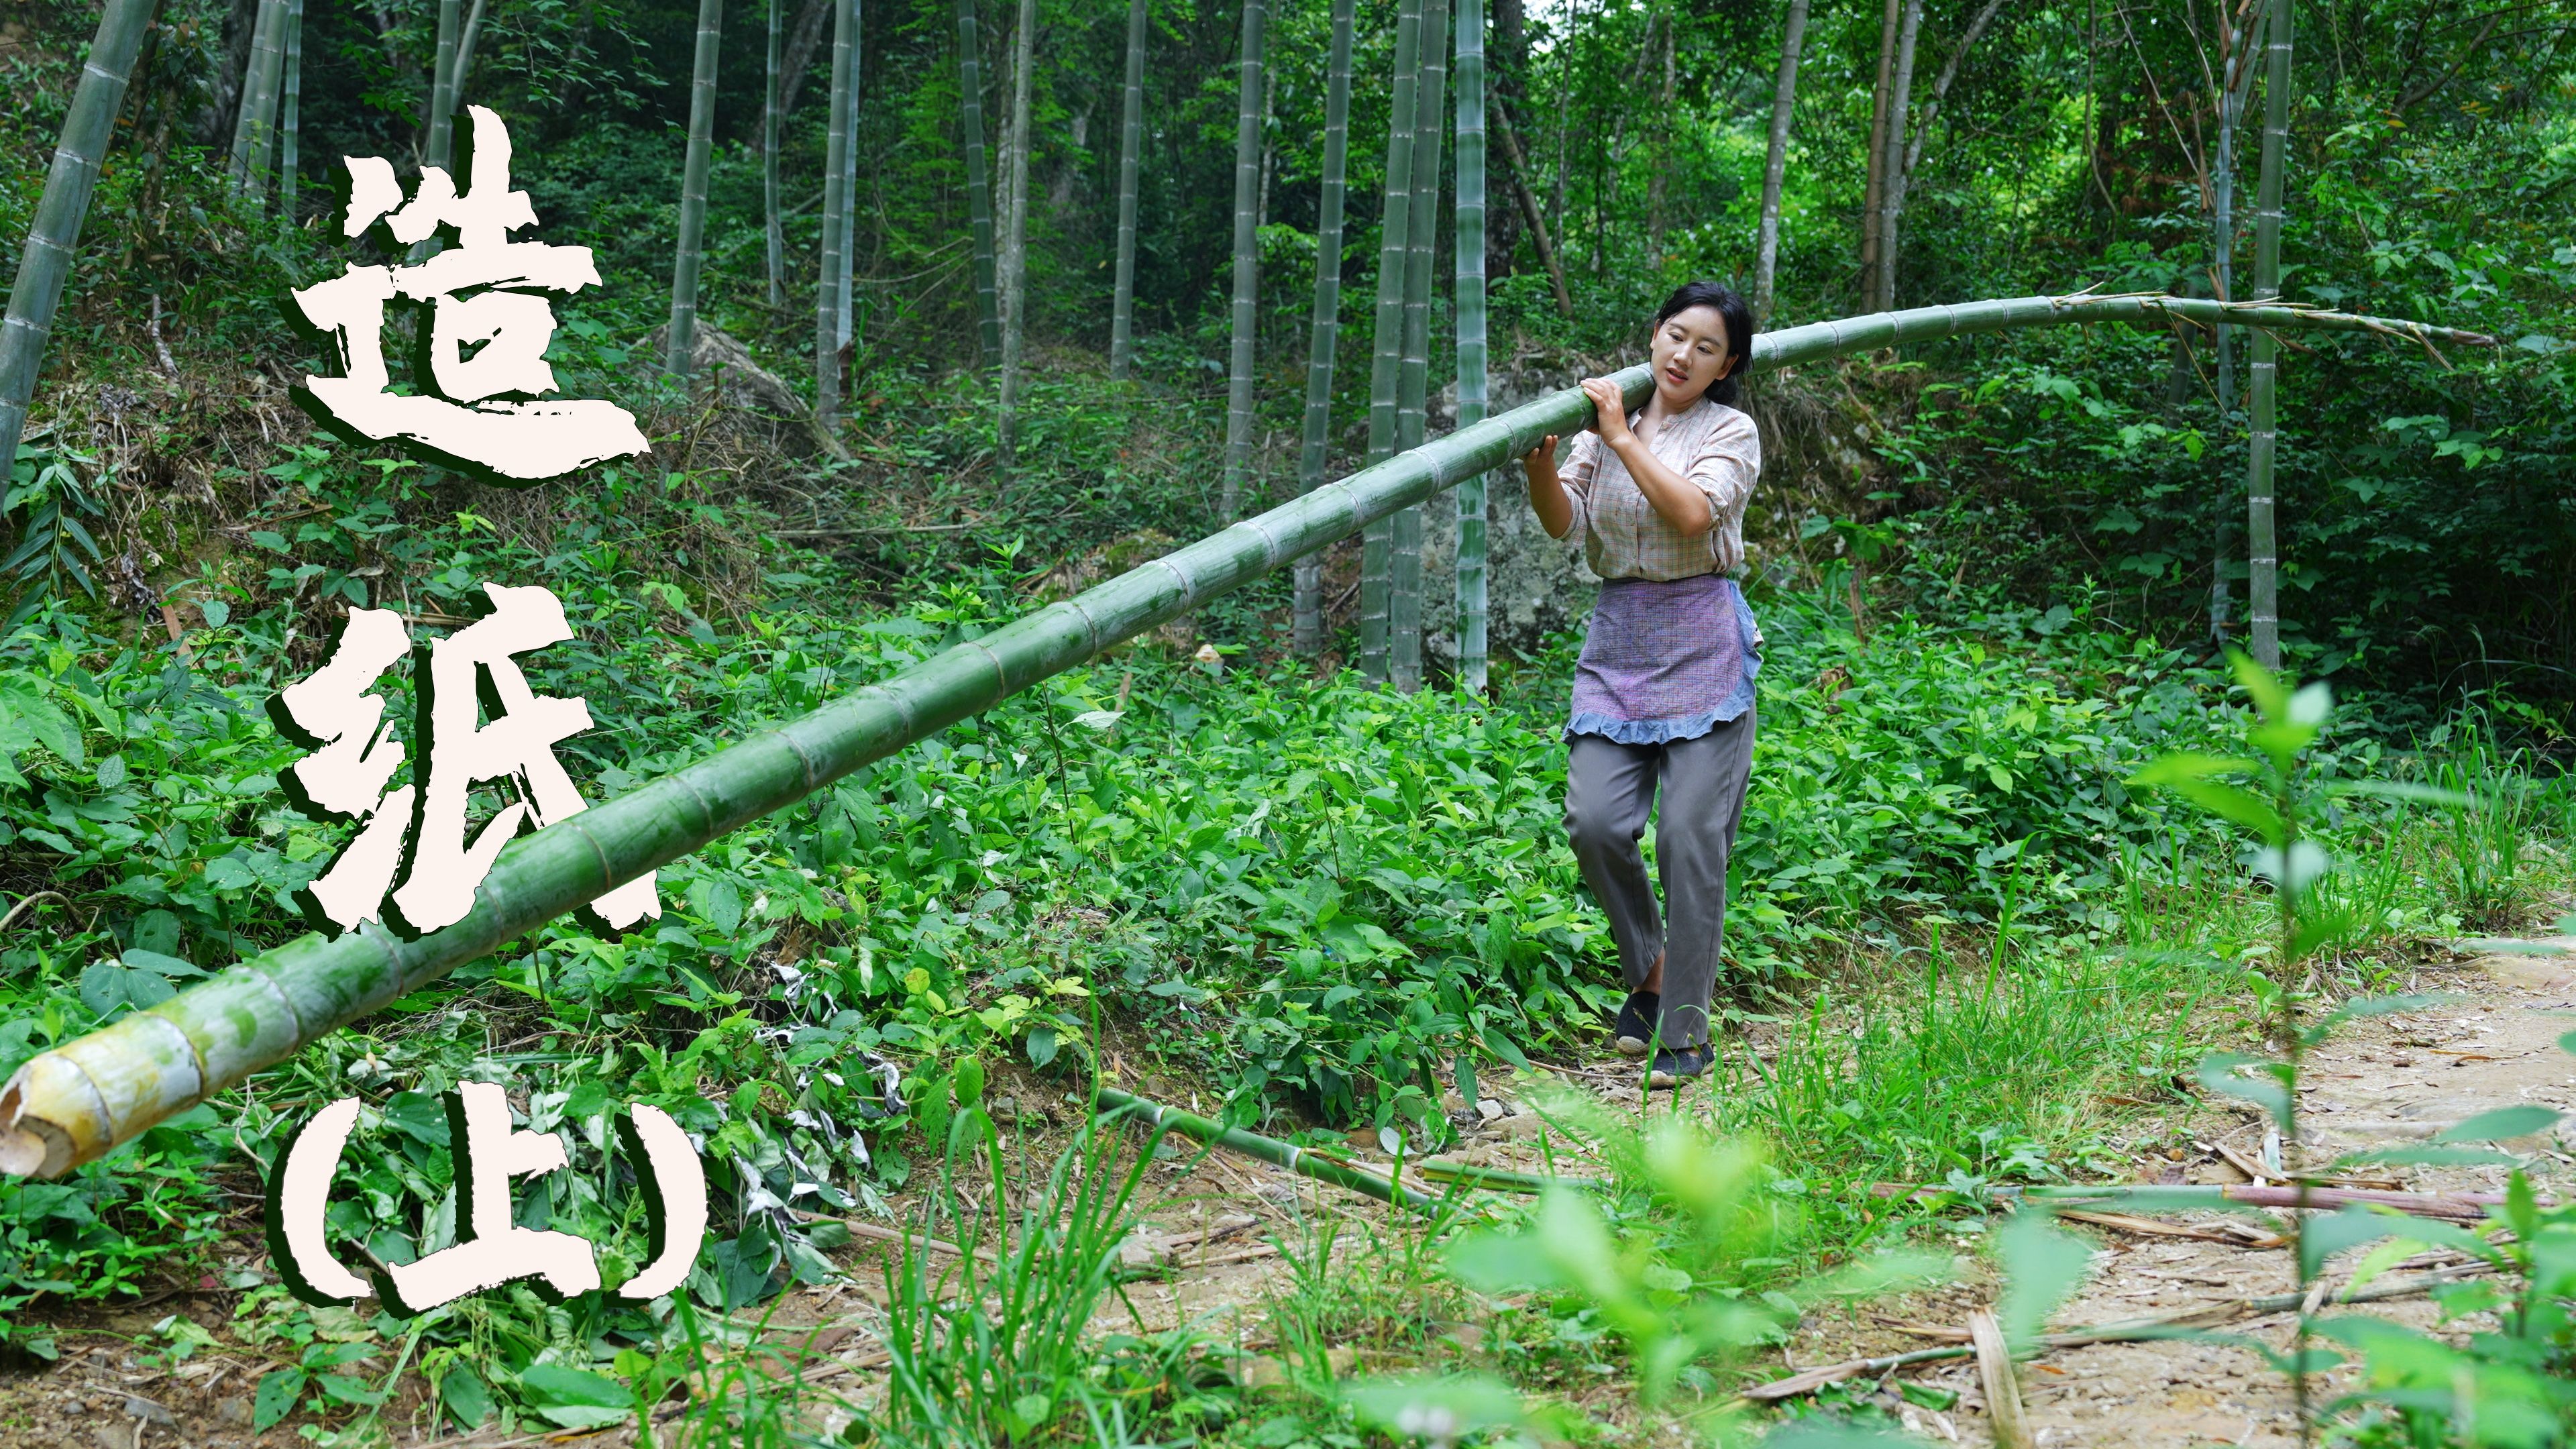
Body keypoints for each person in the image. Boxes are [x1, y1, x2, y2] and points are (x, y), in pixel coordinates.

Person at [1520, 280, 1760, 1089]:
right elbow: (1569, 525)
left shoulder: (1731, 429)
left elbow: (1694, 516)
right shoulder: (1604, 424)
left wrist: (1624, 438)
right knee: (1593, 820)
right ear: (1654, 335)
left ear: (1727, 366)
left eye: (1706, 347)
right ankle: (1653, 974)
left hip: (1704, 639)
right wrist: (1543, 467)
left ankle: (1684, 1032)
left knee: (1689, 838)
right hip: (1619, 640)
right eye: (1675, 335)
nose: (1683, 355)